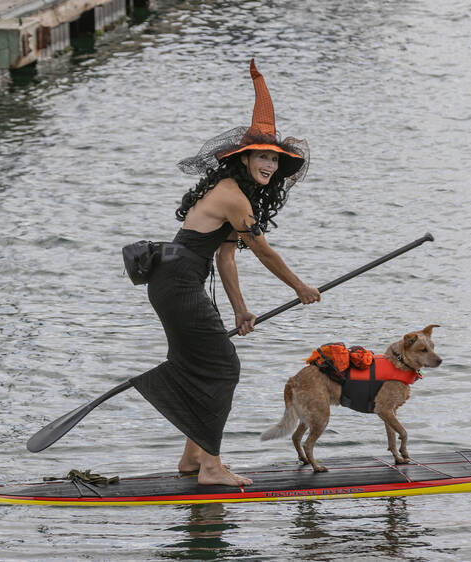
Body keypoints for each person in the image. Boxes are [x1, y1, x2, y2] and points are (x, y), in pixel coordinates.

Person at [131, 59, 320, 487]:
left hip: (174, 283)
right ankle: (212, 468)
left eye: (275, 159)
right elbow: (262, 251)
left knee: (197, 365)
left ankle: (192, 457)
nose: (270, 165)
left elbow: (226, 257)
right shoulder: (233, 195)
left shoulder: (238, 196)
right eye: (263, 157)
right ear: (245, 158)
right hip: (177, 284)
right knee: (221, 367)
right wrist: (300, 286)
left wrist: (241, 309)